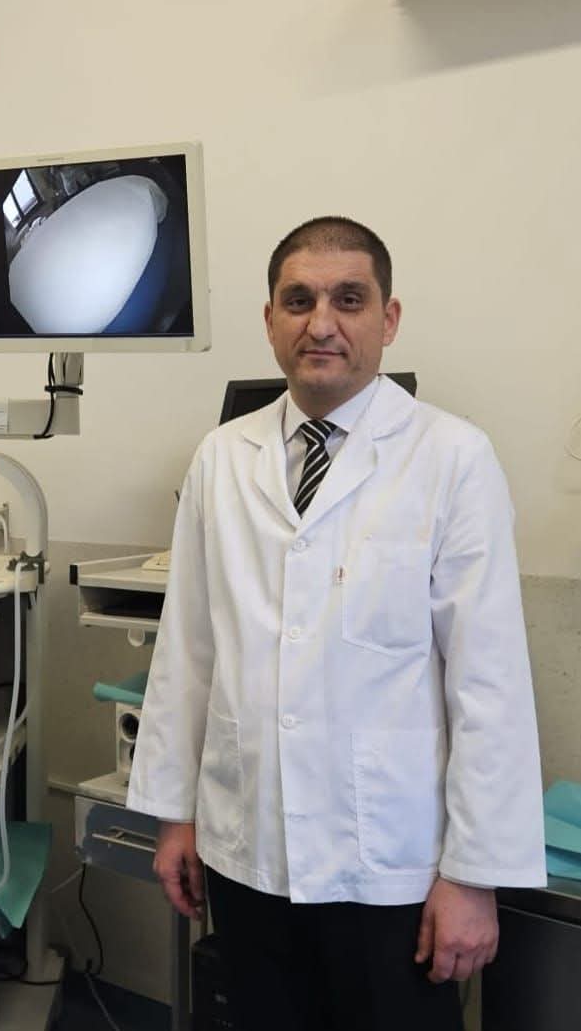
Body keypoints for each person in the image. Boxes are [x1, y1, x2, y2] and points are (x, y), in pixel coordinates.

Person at [126, 217, 546, 1030]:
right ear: (269, 320)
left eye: (348, 300)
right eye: (299, 300)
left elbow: (488, 682)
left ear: (388, 319)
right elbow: (188, 652)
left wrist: (472, 876)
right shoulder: (222, 457)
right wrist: (176, 815)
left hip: (389, 864)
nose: (321, 323)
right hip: (248, 849)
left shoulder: (451, 458)